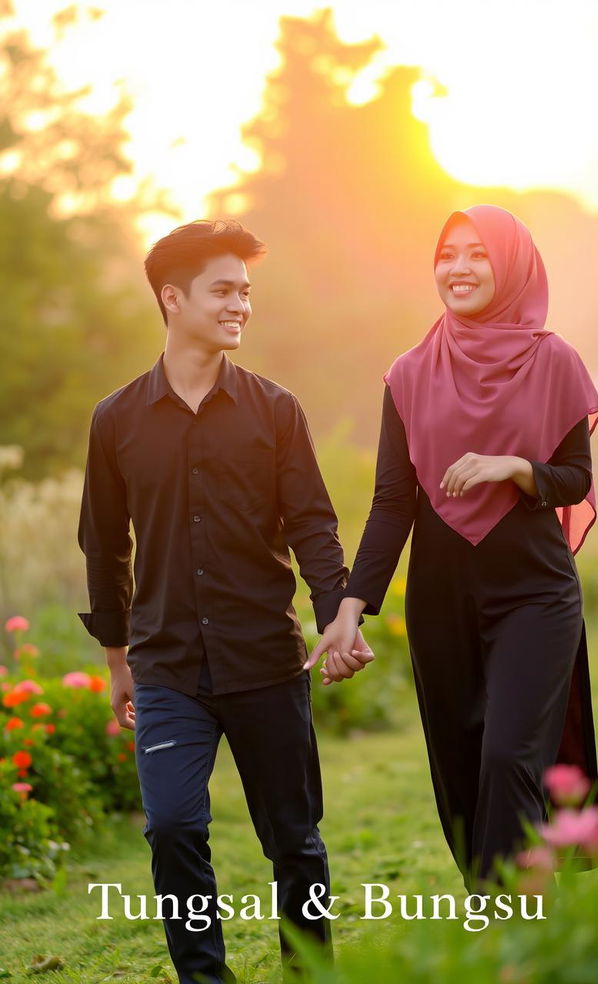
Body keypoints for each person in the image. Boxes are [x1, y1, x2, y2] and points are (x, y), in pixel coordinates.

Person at [77, 219, 372, 984]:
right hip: (168, 667)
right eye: (223, 290)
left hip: (267, 662)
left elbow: (313, 523)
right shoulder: (115, 421)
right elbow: (105, 546)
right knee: (173, 826)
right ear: (172, 299)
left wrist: (339, 613)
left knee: (294, 840)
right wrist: (118, 661)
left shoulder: (276, 411)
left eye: (246, 291)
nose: (240, 304)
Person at [306, 205, 598, 888]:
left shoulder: (554, 359)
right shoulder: (408, 373)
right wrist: (352, 605)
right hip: (441, 602)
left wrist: (514, 467)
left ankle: (504, 924)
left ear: (512, 266)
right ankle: (512, 901)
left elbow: (576, 479)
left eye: (477, 253)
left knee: (510, 756)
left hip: (534, 592)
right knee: (465, 769)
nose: (459, 267)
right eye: (447, 253)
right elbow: (391, 502)